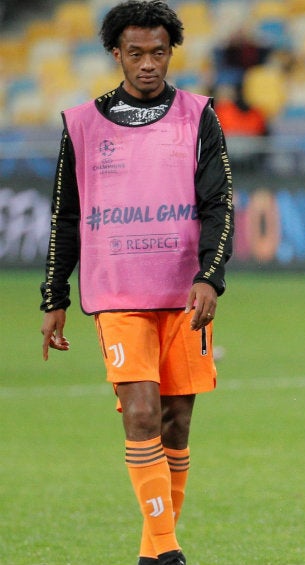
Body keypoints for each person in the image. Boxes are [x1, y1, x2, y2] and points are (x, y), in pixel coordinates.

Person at [38, 2, 234, 564]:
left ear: (171, 53)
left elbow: (219, 203)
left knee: (177, 423)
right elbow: (66, 215)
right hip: (118, 294)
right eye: (136, 53)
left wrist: (210, 276)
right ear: (116, 54)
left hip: (184, 295)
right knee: (142, 413)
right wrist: (55, 296)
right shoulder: (83, 124)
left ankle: (152, 555)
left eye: (158, 52)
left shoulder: (199, 116)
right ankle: (169, 552)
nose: (148, 64)